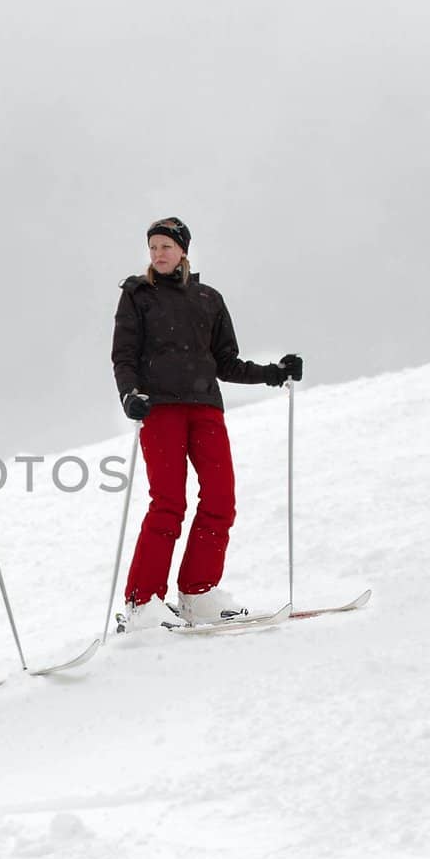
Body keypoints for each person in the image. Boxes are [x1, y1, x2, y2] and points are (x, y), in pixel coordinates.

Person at [111, 218, 302, 628]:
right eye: (153, 247)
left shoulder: (208, 299)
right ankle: (142, 603)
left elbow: (226, 363)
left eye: (166, 246)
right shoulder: (137, 296)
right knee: (168, 503)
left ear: (183, 250)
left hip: (205, 409)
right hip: (160, 409)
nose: (158, 254)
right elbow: (123, 356)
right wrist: (130, 394)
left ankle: (198, 593)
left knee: (220, 498)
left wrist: (273, 372)